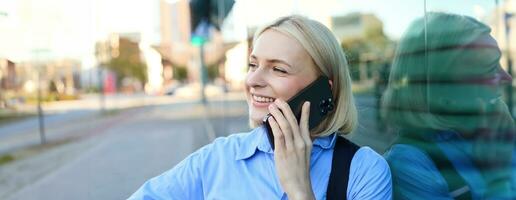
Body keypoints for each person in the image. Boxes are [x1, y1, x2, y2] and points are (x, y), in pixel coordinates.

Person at [129, 15, 392, 200]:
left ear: (325, 89)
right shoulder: (216, 159)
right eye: (253, 65)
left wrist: (300, 192)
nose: (253, 81)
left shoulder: (365, 171)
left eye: (278, 69)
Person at [382, 13, 516, 199]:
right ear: (442, 87)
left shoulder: (497, 130)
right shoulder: (410, 163)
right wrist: (497, 179)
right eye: (491, 68)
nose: (508, 79)